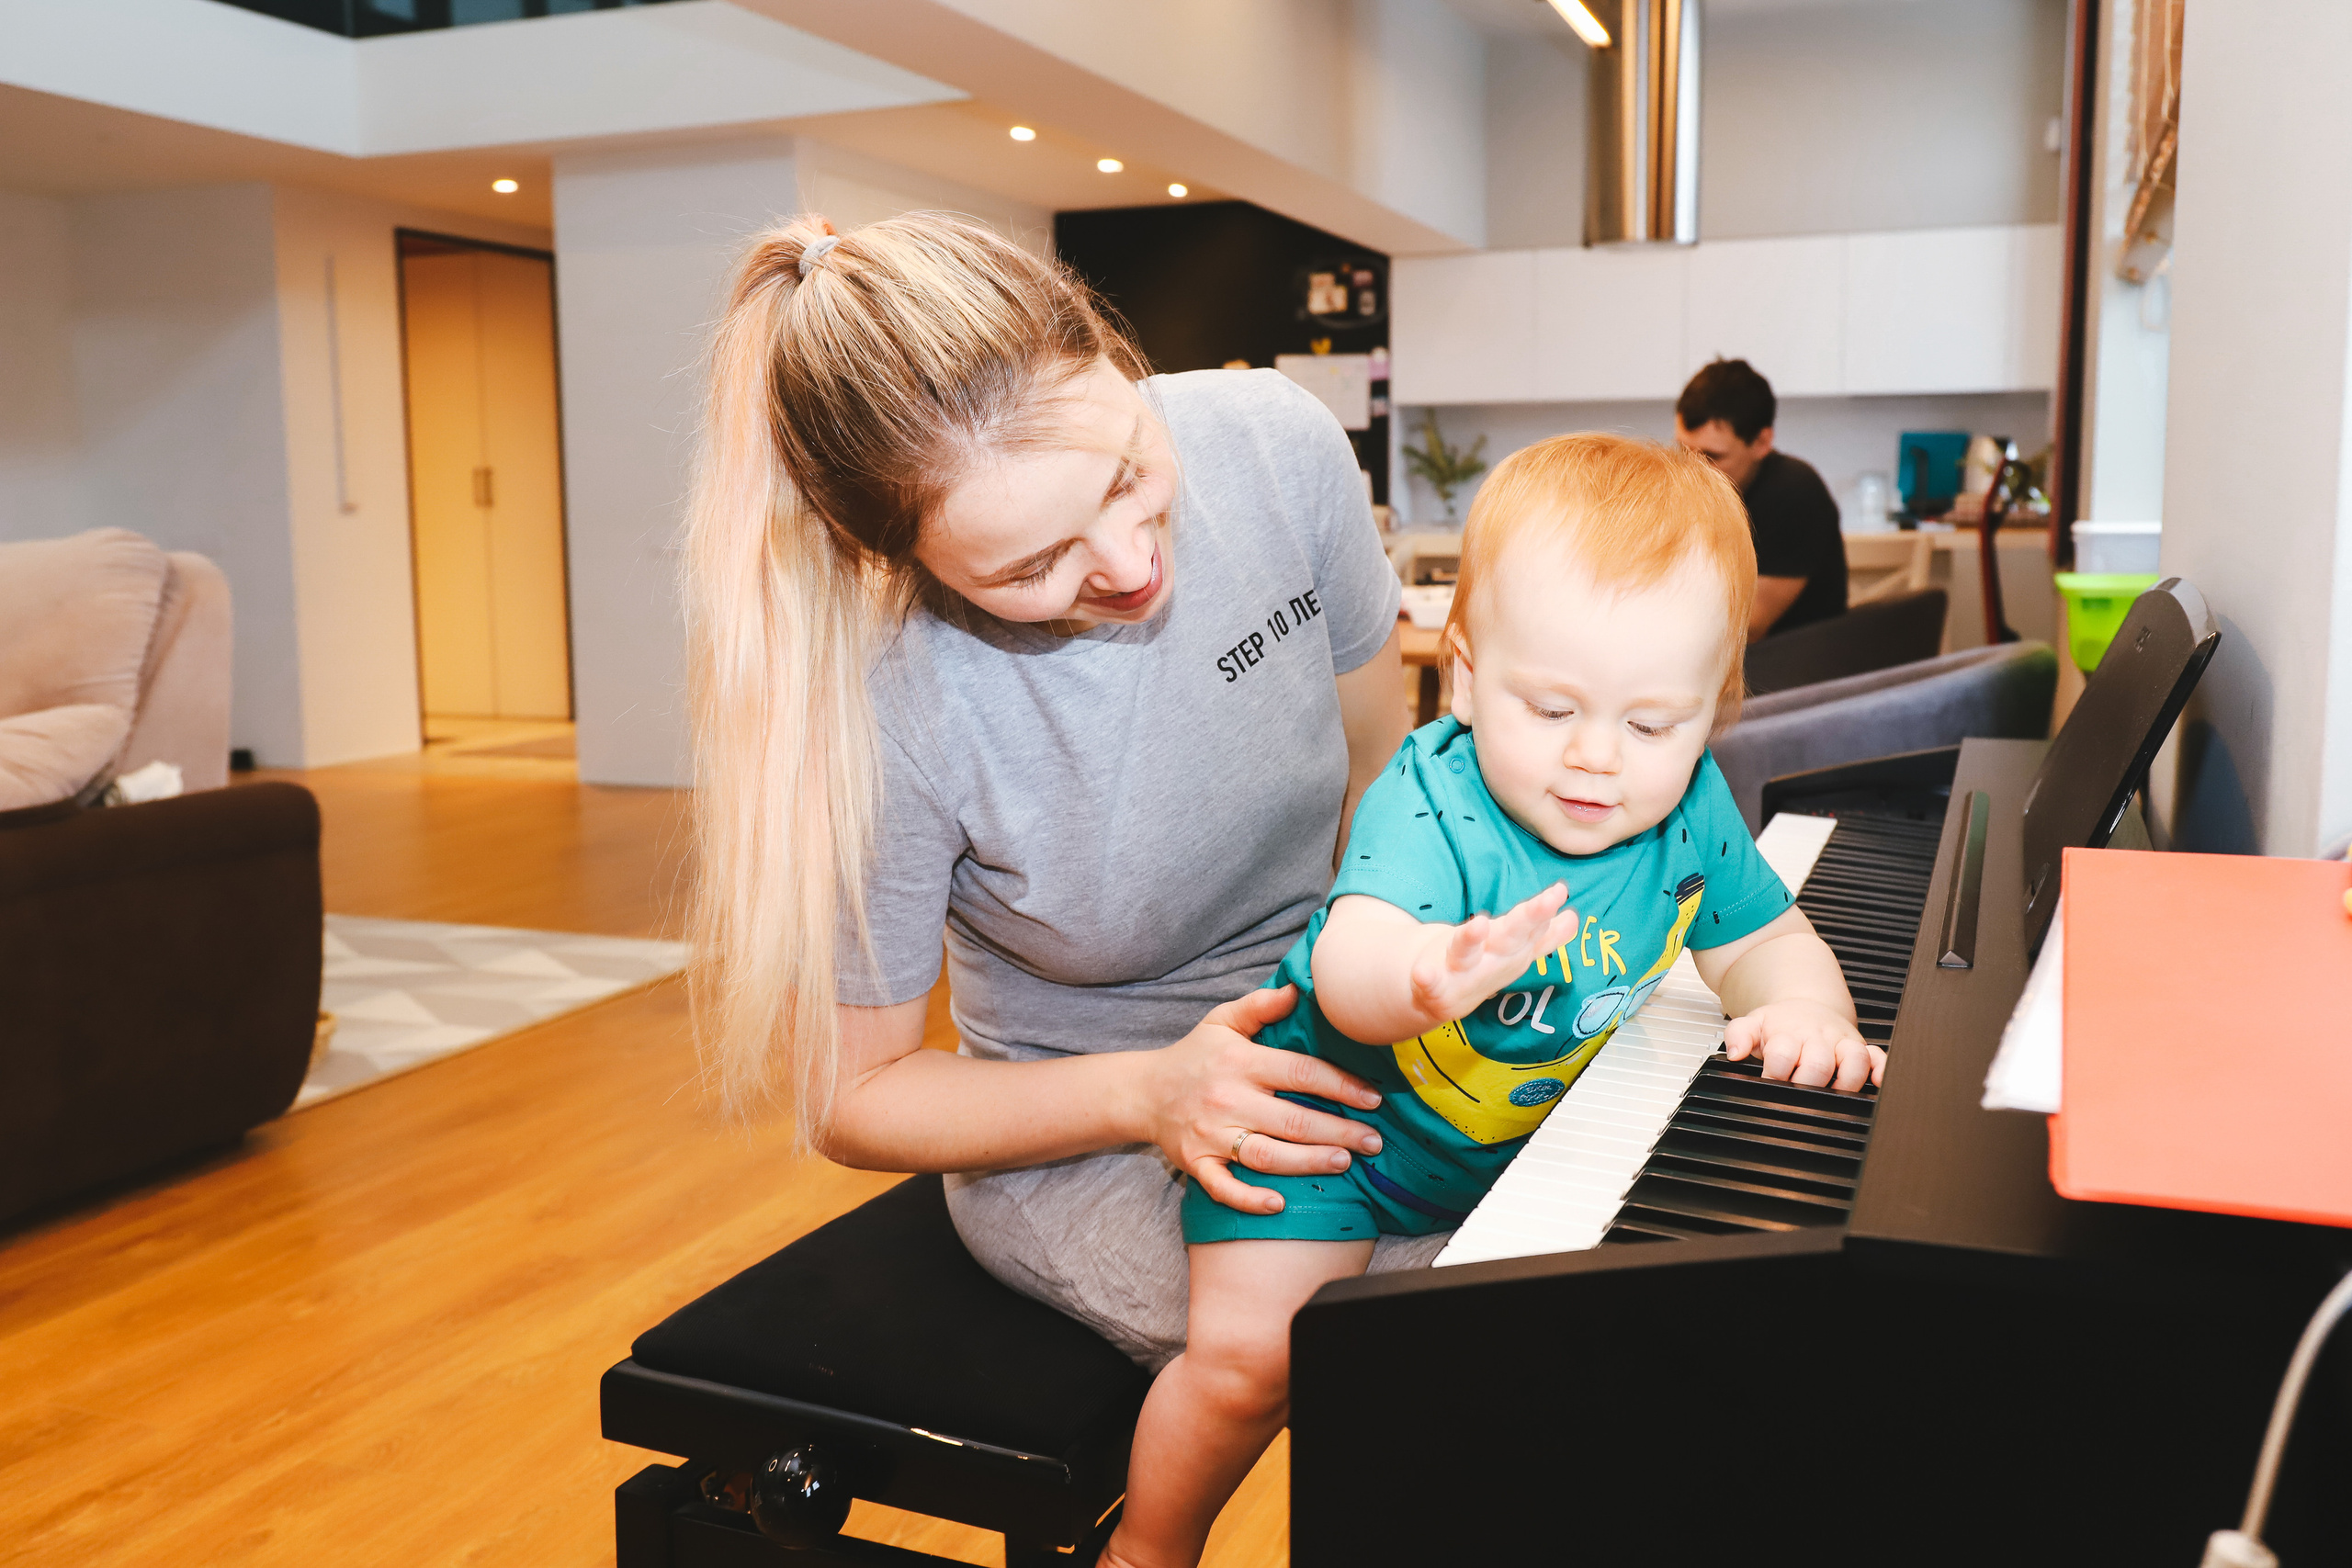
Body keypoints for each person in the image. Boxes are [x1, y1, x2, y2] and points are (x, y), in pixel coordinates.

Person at [684, 214, 1871, 1568]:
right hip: (1099, 1120)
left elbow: (1394, 776)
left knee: (1639, 1270)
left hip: (1375, 1017)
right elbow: (855, 1095)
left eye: (1132, 475)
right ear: (898, 557)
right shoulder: (886, 698)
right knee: (1502, 1342)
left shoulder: (1274, 440)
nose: (1131, 564)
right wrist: (1154, 1088)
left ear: (1116, 360)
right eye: (1029, 568)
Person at [1137, 434, 1881, 1558]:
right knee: (1251, 1362)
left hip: (1519, 1147)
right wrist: (1421, 981)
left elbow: (1766, 938)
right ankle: (1147, 1547)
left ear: (1714, 705)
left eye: (1649, 724)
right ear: (1467, 675)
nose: (1596, 759)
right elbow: (1350, 968)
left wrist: (1806, 1009)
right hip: (1331, 1140)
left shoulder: (1686, 813)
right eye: (1550, 710)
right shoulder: (1433, 802)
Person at [1673, 357, 1848, 638]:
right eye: (1683, 450)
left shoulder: (1796, 493)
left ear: (1762, 443)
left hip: (1795, 667)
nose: (1692, 471)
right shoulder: (1696, 490)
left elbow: (1750, 626)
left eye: (1712, 457)